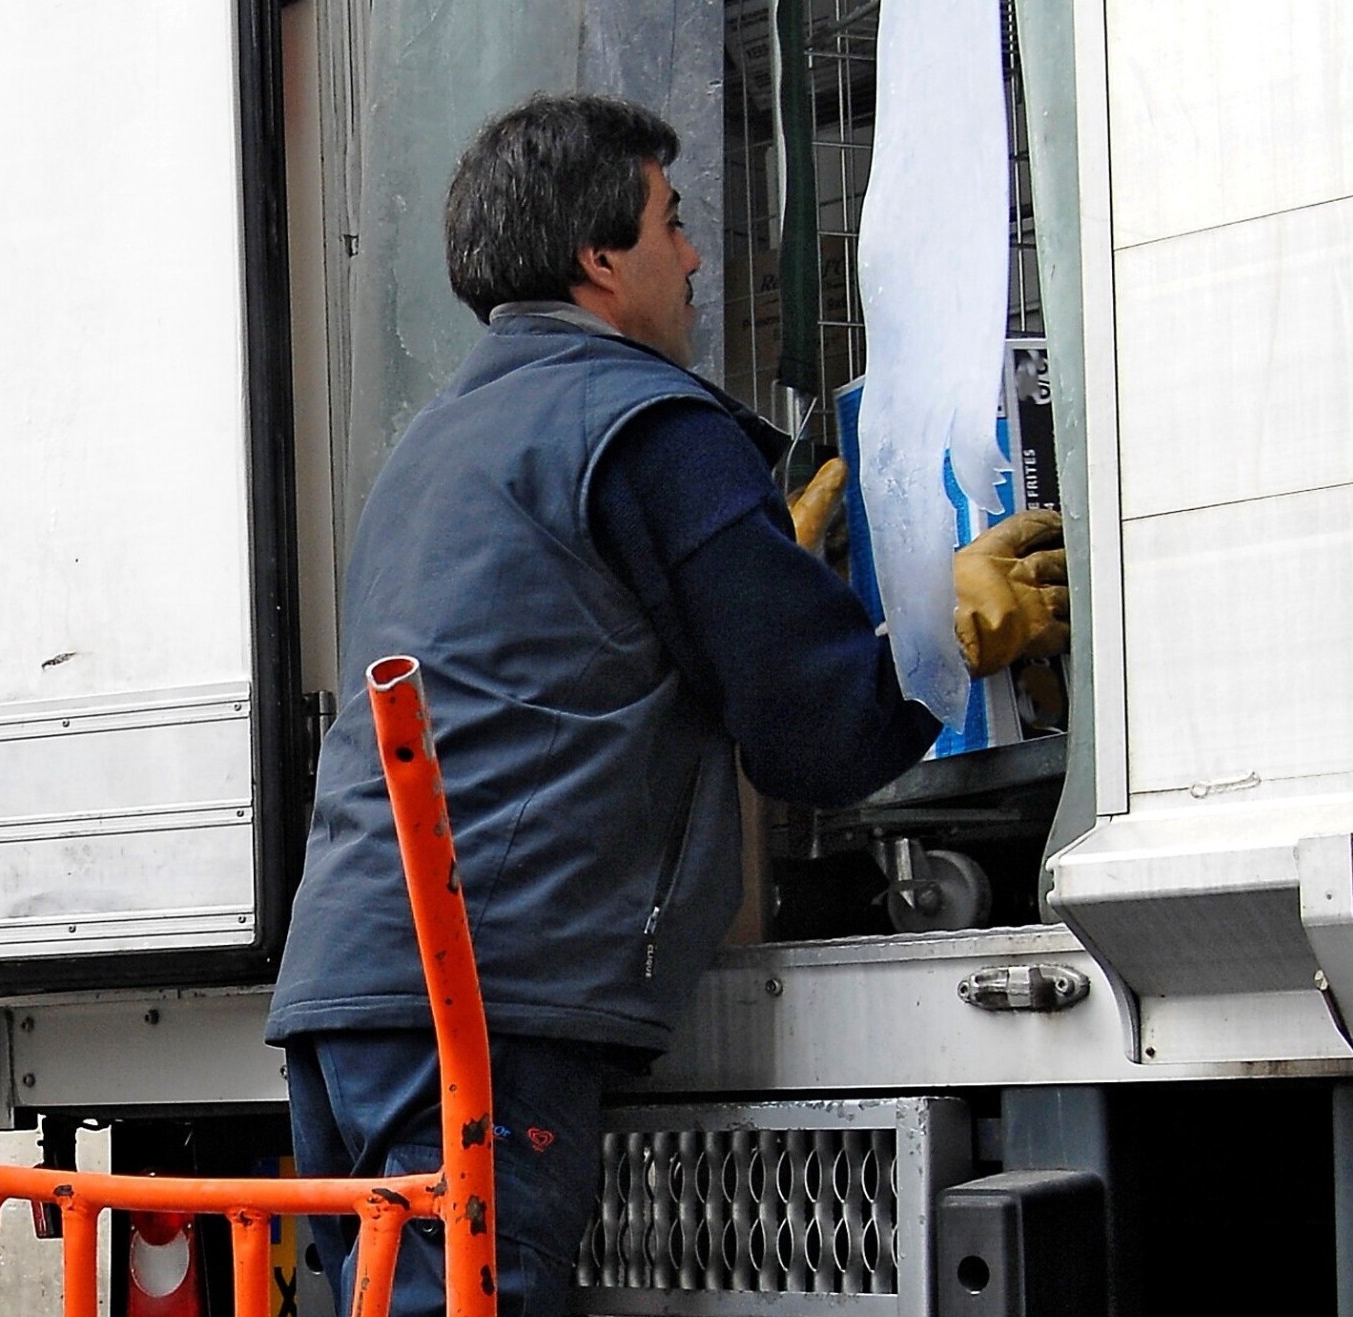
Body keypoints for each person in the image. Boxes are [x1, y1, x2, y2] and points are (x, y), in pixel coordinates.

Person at [265, 93, 1065, 1315]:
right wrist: (949, 637)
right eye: (671, 222)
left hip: (352, 995)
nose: (693, 257)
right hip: (484, 1005)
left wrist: (740, 577)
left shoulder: (447, 438)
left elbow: (548, 657)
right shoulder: (647, 423)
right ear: (599, 258)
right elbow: (815, 733)